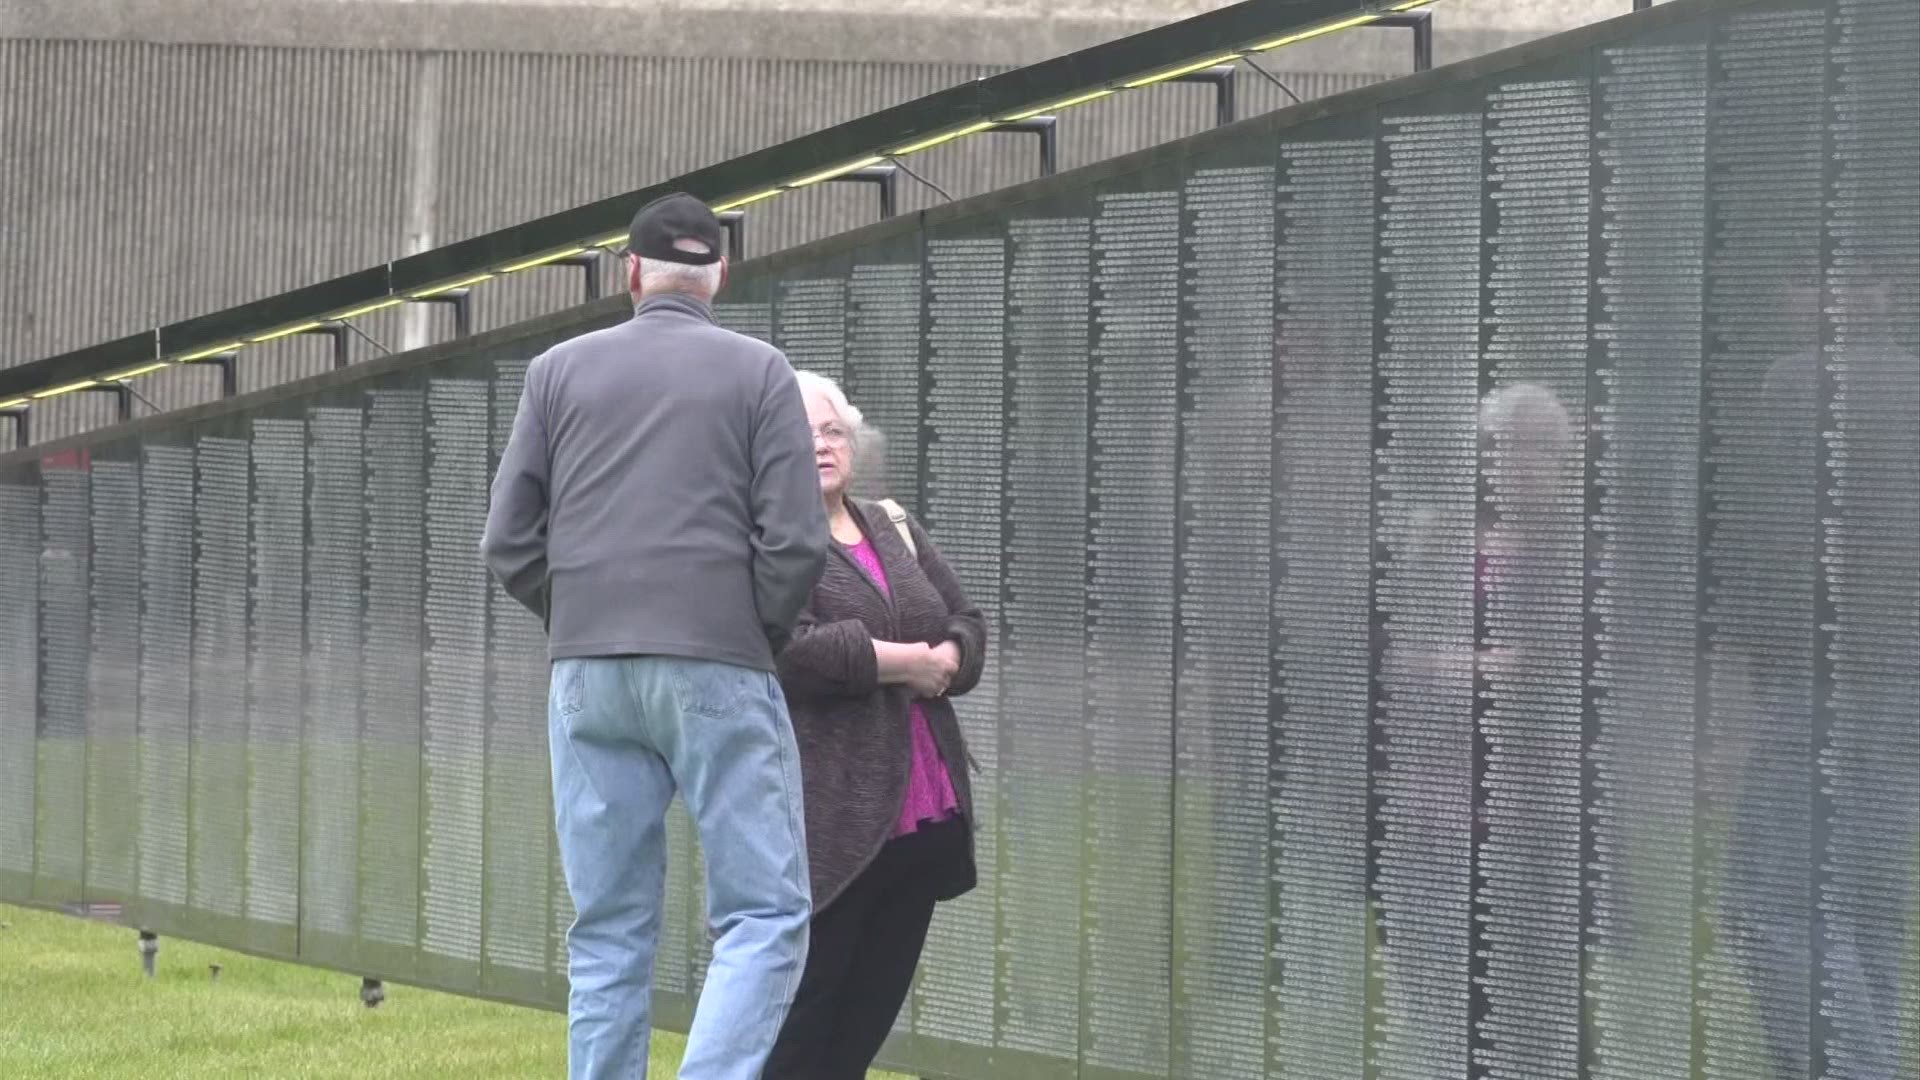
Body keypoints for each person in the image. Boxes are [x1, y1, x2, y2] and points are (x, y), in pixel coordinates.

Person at [481, 192, 828, 1080]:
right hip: (718, 661)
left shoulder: (556, 371)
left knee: (607, 926)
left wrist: (580, 616)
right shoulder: (760, 372)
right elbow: (793, 539)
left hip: (588, 670)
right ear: (721, 275)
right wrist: (757, 629)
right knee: (762, 913)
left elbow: (508, 540)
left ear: (628, 273)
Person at [763, 371, 987, 1079]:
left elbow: (967, 620)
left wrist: (949, 657)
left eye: (833, 431)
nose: (821, 445)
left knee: (866, 1017)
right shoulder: (766, 539)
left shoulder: (891, 524)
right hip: (835, 816)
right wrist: (902, 665)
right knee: (807, 1015)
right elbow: (785, 646)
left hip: (925, 814)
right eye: (801, 434)